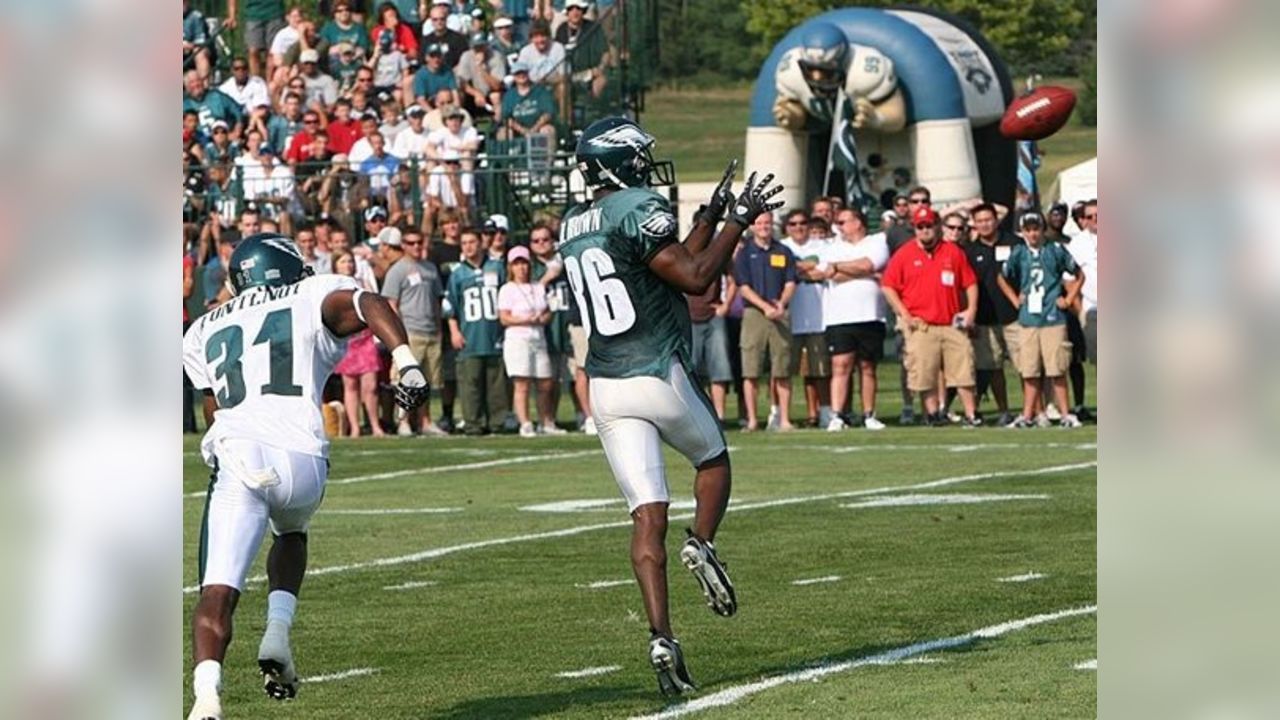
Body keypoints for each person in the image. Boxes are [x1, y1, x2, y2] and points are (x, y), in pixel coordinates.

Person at [558, 117, 782, 695]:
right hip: (656, 369)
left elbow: (661, 262)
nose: (644, 166)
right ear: (616, 162)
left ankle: (662, 637)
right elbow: (696, 278)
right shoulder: (637, 204)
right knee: (712, 461)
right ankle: (702, 541)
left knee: (645, 515)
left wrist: (706, 220)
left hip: (606, 382)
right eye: (637, 156)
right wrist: (738, 220)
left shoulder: (572, 222)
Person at [182, 234, 427, 720]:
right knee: (291, 530)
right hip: (304, 456)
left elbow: (215, 410)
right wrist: (407, 363)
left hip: (240, 454)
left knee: (217, 590)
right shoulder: (311, 293)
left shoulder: (198, 331)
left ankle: (206, 696)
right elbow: (369, 302)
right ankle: (277, 630)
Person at [880, 205, 982, 427]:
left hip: (951, 323)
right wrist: (904, 314)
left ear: (937, 226)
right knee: (925, 372)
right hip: (921, 324)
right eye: (920, 226)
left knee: (963, 370)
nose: (925, 230)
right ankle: (933, 414)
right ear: (915, 228)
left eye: (929, 226)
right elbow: (888, 286)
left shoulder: (952, 251)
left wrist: (971, 310)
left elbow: (970, 283)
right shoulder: (904, 253)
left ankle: (972, 414)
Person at [998, 212, 1085, 428]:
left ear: (1042, 229)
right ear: (1023, 232)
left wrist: (1069, 298)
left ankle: (1065, 413)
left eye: (1036, 229)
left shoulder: (1055, 250)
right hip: (1028, 318)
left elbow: (1079, 273)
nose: (1033, 234)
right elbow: (1002, 277)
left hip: (1052, 317)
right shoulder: (1019, 253)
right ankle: (1029, 415)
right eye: (1028, 230)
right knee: (1030, 370)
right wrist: (1014, 299)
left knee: (1057, 369)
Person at [821, 207, 889, 430]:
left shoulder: (876, 242)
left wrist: (840, 266)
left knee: (867, 366)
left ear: (858, 222)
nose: (839, 226)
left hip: (870, 315)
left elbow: (869, 265)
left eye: (843, 222)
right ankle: (837, 415)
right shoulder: (832, 246)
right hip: (839, 317)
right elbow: (829, 274)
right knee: (840, 365)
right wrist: (858, 271)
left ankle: (869, 414)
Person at [379, 226, 449, 435]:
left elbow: (437, 301)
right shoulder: (398, 270)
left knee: (426, 380)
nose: (416, 246)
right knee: (406, 379)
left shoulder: (430, 268)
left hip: (430, 331)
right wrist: (398, 333)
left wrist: (439, 328)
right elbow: (391, 304)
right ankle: (404, 422)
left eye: (419, 242)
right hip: (410, 332)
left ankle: (425, 421)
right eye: (411, 243)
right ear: (403, 245)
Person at [734, 211, 797, 432]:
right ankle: (752, 420)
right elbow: (743, 287)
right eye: (759, 223)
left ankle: (785, 420)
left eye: (767, 223)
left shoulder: (784, 251)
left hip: (780, 313)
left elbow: (791, 282)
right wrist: (765, 307)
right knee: (751, 370)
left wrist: (781, 304)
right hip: (754, 315)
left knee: (782, 368)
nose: (764, 227)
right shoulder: (744, 253)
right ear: (752, 226)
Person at [445, 227, 509, 434]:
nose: (468, 247)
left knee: (496, 384)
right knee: (470, 384)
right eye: (464, 243)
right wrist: (454, 331)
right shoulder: (458, 274)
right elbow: (450, 308)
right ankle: (474, 423)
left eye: (472, 242)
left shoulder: (497, 267)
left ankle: (497, 422)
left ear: (481, 242)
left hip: (494, 335)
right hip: (470, 336)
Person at [965, 202, 1024, 426]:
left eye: (988, 220)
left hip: (1014, 316)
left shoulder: (1015, 243)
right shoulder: (970, 251)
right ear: (974, 224)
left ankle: (1033, 411)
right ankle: (1004, 411)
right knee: (992, 367)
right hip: (984, 319)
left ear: (996, 220)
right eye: (979, 221)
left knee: (1025, 366)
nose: (984, 224)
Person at [498, 245, 565, 436]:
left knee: (545, 382)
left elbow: (546, 313)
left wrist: (542, 319)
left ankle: (546, 421)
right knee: (522, 383)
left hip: (538, 338)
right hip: (518, 340)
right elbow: (504, 317)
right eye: (517, 264)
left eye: (524, 264)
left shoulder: (537, 287)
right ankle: (525, 422)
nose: (522, 268)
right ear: (511, 267)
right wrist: (526, 319)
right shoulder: (507, 289)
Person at [780, 209, 831, 428]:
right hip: (789, 319)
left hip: (819, 317)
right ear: (787, 227)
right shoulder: (782, 247)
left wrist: (796, 269)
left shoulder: (823, 246)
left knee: (820, 370)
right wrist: (804, 268)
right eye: (793, 224)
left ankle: (825, 413)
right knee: (783, 370)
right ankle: (779, 416)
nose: (798, 227)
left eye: (802, 223)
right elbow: (783, 273)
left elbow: (824, 272)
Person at [331, 250, 386, 436]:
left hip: (365, 339)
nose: (348, 265)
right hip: (347, 342)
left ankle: (375, 425)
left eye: (350, 261)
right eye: (343, 261)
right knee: (351, 386)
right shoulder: (332, 287)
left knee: (370, 386)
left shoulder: (362, 284)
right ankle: (354, 427)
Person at [555, 0, 609, 99]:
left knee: (601, 81)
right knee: (560, 86)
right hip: (567, 74)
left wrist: (601, 68)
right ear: (567, 12)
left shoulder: (593, 28)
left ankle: (593, 111)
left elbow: (605, 52)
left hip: (590, 72)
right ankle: (565, 114)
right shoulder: (561, 29)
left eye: (578, 9)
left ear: (583, 11)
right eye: (571, 9)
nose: (575, 12)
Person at [496, 62, 556, 145]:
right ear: (513, 76)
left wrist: (534, 130)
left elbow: (548, 113)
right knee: (503, 133)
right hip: (517, 130)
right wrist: (523, 131)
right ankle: (509, 157)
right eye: (518, 73)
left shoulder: (540, 91)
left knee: (548, 130)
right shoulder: (509, 95)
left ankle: (548, 157)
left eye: (523, 72)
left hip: (538, 127)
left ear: (528, 73)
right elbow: (507, 118)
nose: (521, 75)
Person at [228, 0, 288, 81]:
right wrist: (232, 16)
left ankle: (270, 82)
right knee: (253, 51)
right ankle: (256, 82)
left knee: (272, 52)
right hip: (253, 14)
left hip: (275, 12)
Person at [455, 32, 507, 117]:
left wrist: (481, 68)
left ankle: (498, 123)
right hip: (474, 91)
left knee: (495, 96)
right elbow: (462, 82)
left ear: (486, 45)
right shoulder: (466, 56)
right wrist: (476, 93)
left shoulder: (496, 56)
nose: (479, 49)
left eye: (481, 47)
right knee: (459, 94)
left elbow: (497, 86)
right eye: (476, 47)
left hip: (492, 91)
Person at [423, 1, 469, 68]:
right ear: (431, 21)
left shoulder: (458, 39)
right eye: (435, 20)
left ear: (446, 19)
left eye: (442, 19)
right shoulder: (426, 40)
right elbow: (423, 62)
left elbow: (465, 61)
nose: (439, 22)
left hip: (454, 74)